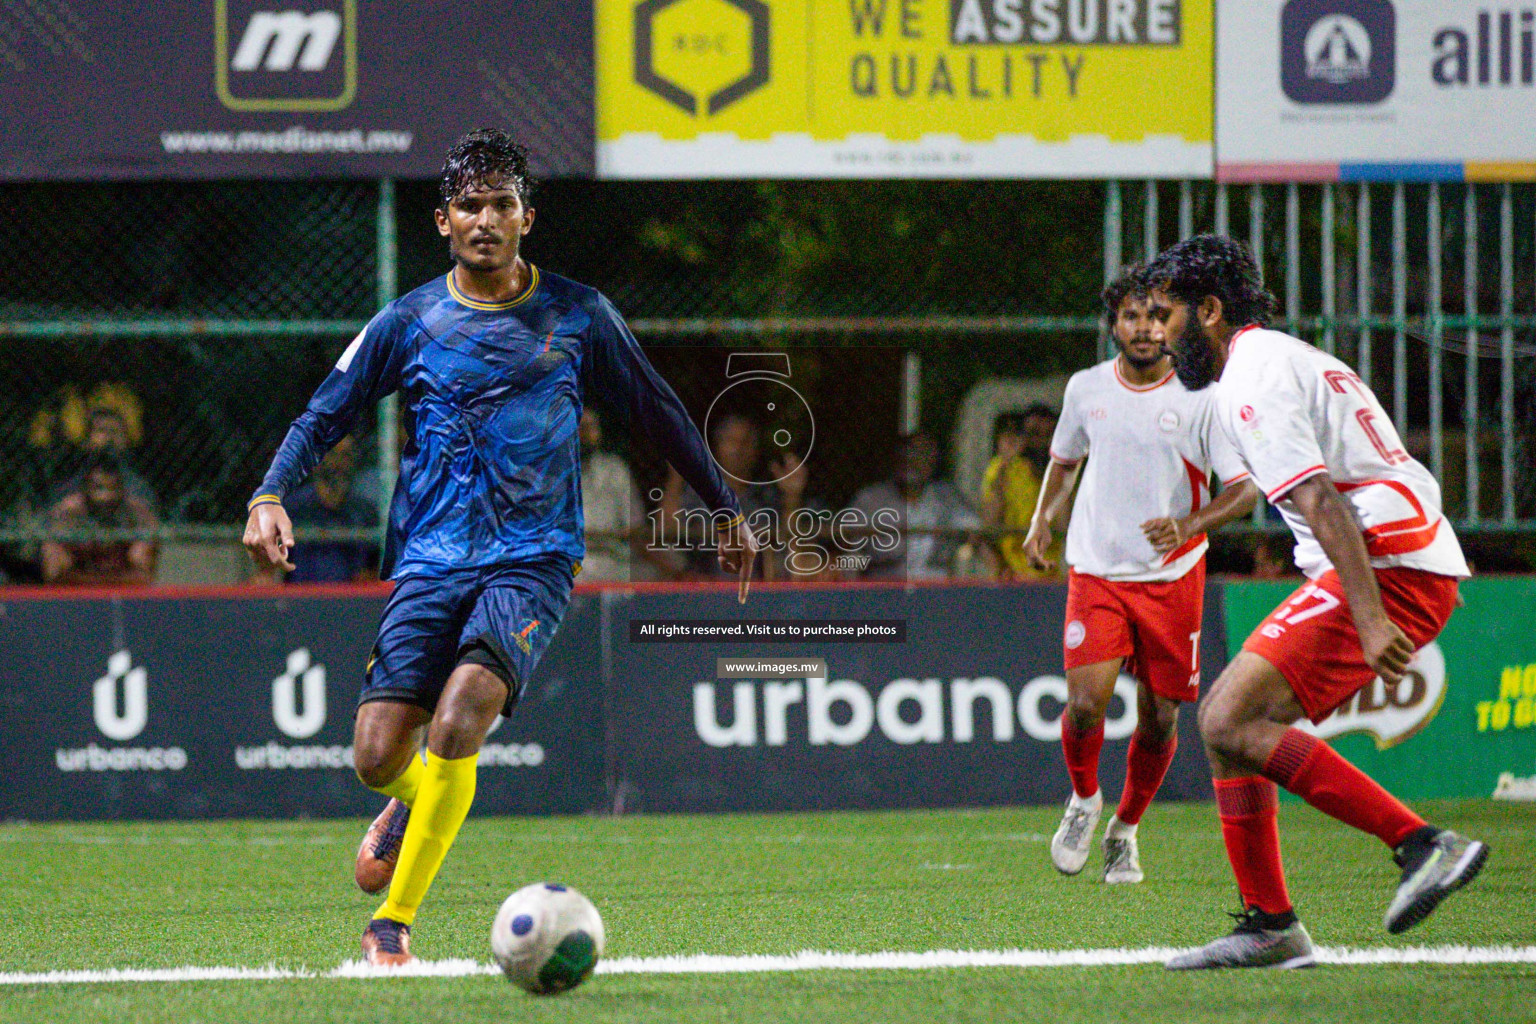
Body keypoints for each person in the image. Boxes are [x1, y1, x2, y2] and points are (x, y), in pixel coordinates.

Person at [242, 129, 757, 968]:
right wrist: (270, 492)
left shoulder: (579, 314)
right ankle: (409, 802)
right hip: (429, 559)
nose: (486, 219)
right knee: (378, 759)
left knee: (460, 719)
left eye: (502, 204)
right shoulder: (408, 320)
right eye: (470, 206)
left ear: (526, 217)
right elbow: (323, 413)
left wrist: (724, 508)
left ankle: (393, 924)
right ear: (443, 220)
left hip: (533, 558)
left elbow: (658, 409)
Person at [1146, 235, 1485, 970]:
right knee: (1228, 727)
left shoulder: (1251, 379)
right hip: (1390, 559)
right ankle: (1270, 924)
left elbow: (1318, 496)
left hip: (1384, 567)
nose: (1159, 338)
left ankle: (1424, 844)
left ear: (1208, 309)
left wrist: (1368, 618)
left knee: (1229, 717)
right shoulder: (1281, 358)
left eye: (1168, 316)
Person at [1022, 267, 1258, 885]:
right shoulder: (1087, 389)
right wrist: (1043, 518)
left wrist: (1189, 524)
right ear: (1114, 325)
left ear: (1174, 322)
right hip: (1097, 569)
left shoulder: (1201, 397)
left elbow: (1243, 490)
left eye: (1157, 316)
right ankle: (1083, 799)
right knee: (1084, 702)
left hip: (1173, 577)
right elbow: (1064, 461)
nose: (1146, 328)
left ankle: (1124, 831)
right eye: (1133, 316)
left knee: (1159, 718)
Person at [848, 432, 980, 580]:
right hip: (885, 586)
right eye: (907, 454)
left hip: (935, 587)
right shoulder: (871, 498)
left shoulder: (947, 497)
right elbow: (850, 552)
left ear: (933, 462)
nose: (912, 461)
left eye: (921, 455)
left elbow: (976, 531)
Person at [41, 454, 159, 586]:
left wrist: (89, 581)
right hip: (77, 592)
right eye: (98, 488)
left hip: (120, 591)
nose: (105, 497)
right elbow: (54, 574)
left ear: (122, 490)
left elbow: (142, 577)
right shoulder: (66, 513)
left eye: (112, 488)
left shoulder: (138, 514)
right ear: (84, 489)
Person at [281, 435, 379, 583]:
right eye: (333, 454)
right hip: (301, 596)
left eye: (346, 455)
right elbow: (275, 568)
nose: (339, 463)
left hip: (349, 599)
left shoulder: (363, 511)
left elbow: (370, 570)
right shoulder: (294, 507)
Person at [981, 406, 1063, 580]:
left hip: (1051, 574)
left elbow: (1064, 526)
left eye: (1048, 435)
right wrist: (1005, 465)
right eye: (1034, 433)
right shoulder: (1001, 468)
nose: (1041, 441)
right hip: (1012, 574)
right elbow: (989, 525)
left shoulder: (1062, 472)